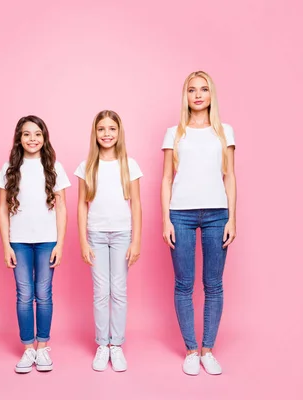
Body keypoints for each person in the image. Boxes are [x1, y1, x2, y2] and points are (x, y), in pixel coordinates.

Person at [160, 71, 237, 375]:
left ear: (211, 95)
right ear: (186, 96)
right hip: (181, 213)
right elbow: (167, 177)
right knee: (183, 284)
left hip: (218, 213)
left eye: (203, 89)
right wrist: (166, 218)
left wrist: (233, 217)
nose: (198, 95)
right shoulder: (174, 133)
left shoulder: (224, 132)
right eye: (192, 90)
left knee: (214, 284)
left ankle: (208, 349)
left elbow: (230, 176)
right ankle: (191, 349)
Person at [0, 115, 70, 373]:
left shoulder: (54, 167)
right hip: (19, 242)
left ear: (44, 137)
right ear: (19, 138)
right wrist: (6, 245)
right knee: (24, 295)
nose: (32, 139)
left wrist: (60, 243)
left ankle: (43, 346)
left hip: (47, 241)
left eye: (37, 134)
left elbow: (62, 208)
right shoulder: (8, 168)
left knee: (44, 294)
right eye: (26, 134)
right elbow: (2, 210)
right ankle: (28, 348)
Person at [75, 110, 142, 372]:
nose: (106, 134)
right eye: (101, 129)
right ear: (95, 133)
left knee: (119, 290)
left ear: (119, 132)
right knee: (101, 292)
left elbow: (136, 204)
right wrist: (83, 241)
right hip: (97, 235)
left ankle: (117, 345)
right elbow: (82, 205)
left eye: (111, 129)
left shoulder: (129, 164)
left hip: (122, 234)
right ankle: (103, 344)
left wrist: (136, 240)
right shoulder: (87, 166)